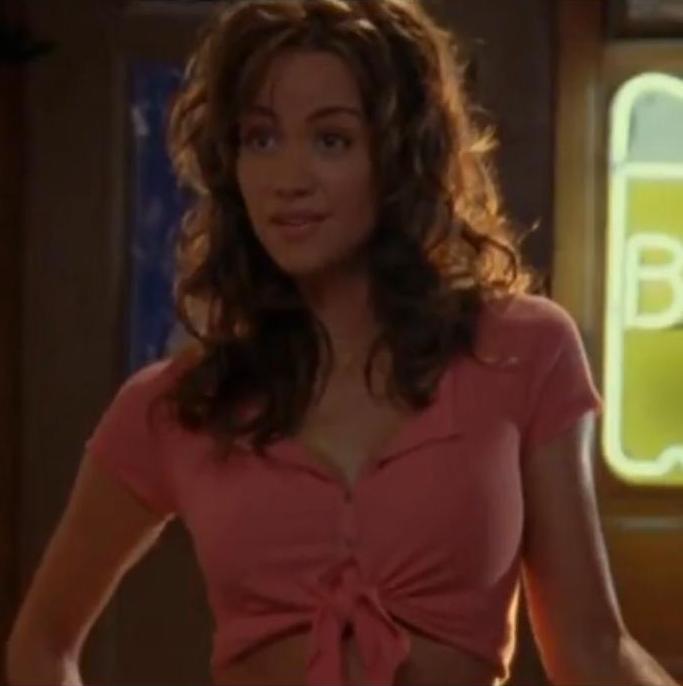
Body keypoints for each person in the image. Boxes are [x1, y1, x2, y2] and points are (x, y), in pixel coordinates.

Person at [5, 1, 680, 685]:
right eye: (260, 139)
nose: (288, 179)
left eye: (331, 140)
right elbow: (42, 643)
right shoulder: (178, 404)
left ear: (399, 158)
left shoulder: (522, 350)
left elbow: (593, 652)